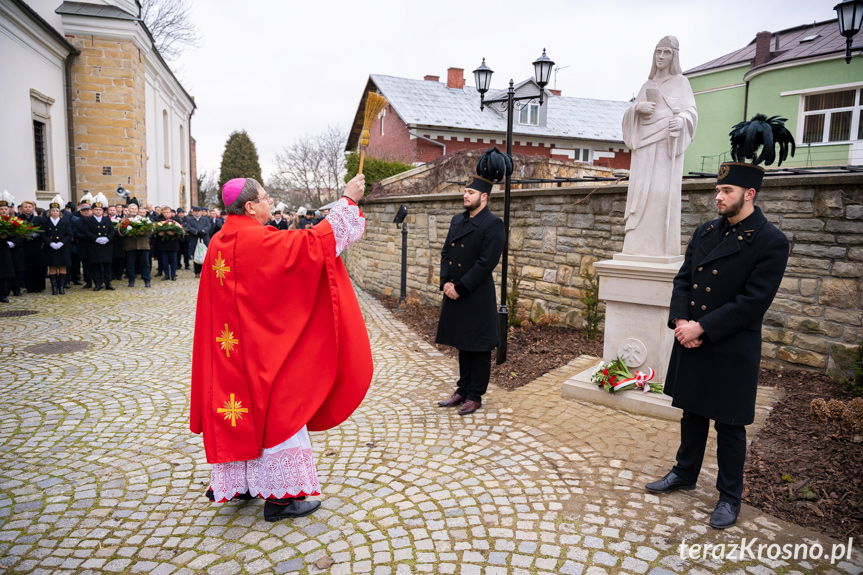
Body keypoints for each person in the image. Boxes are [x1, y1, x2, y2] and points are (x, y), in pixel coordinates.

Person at [190, 175, 373, 522]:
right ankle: (280, 500)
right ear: (249, 206)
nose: (270, 201)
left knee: (236, 413)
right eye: (264, 197)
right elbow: (311, 247)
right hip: (261, 352)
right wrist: (347, 199)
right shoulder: (256, 239)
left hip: (229, 354)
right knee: (279, 407)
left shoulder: (219, 240)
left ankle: (239, 484)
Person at [644, 162, 789, 529]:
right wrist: (680, 321)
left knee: (729, 424)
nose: (718, 197)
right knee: (692, 412)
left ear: (749, 194)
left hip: (730, 346)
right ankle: (684, 472)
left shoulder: (770, 240)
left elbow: (753, 302)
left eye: (726, 191)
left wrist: (701, 328)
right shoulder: (706, 230)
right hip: (691, 337)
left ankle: (729, 496)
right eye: (717, 190)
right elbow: (683, 279)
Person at [435, 175, 506, 416]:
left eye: (471, 193)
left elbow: (486, 263)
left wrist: (460, 287)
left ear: (484, 197)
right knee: (462, 343)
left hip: (475, 294)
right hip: (453, 290)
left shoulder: (493, 224)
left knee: (478, 346)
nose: (466, 196)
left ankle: (475, 395)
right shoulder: (457, 220)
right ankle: (462, 389)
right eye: (465, 191)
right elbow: (446, 252)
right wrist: (445, 282)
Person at [621, 35, 697, 258]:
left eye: (666, 52)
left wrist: (681, 121)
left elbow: (690, 111)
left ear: (674, 56)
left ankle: (659, 248)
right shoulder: (647, 85)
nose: (661, 56)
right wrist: (637, 109)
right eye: (658, 52)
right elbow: (630, 115)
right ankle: (636, 245)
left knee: (661, 193)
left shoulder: (681, 83)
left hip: (665, 148)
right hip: (644, 148)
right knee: (640, 192)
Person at [83, 193, 116, 291]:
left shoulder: (107, 220)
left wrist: (107, 238)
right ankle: (98, 284)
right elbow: (87, 232)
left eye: (100, 209)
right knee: (96, 266)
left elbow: (112, 231)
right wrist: (96, 238)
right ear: (92, 210)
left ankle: (108, 283)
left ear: (103, 211)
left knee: (107, 266)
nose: (98, 211)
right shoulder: (89, 220)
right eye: (96, 209)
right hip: (94, 246)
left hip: (106, 246)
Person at [41, 195, 73, 295]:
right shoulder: (45, 222)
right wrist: (50, 243)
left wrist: (61, 243)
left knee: (63, 267)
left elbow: (69, 234)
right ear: (49, 212)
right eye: (52, 211)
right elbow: (43, 234)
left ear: (60, 212)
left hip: (63, 247)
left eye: (56, 211)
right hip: (50, 248)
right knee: (53, 267)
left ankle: (62, 287)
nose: (55, 212)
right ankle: (54, 288)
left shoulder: (65, 221)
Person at [16, 200, 46, 293]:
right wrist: (24, 235)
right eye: (25, 207)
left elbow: (43, 230)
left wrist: (35, 234)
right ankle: (29, 287)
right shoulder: (18, 219)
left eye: (29, 207)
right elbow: (16, 232)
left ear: (33, 208)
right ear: (21, 208)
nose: (27, 208)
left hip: (37, 247)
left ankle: (39, 286)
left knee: (39, 267)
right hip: (25, 247)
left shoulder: (39, 219)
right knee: (27, 267)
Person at [121, 200, 152, 287]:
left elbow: (150, 231)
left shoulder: (143, 219)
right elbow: (121, 232)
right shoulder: (124, 220)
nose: (133, 210)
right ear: (128, 209)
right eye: (132, 208)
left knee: (145, 264)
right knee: (130, 264)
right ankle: (131, 281)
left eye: (135, 208)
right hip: (130, 245)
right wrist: (128, 231)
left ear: (137, 210)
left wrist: (143, 232)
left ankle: (147, 280)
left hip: (143, 245)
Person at [185, 206, 212, 277]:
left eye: (198, 211)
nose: (197, 213)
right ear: (193, 212)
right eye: (195, 211)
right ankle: (197, 272)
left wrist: (203, 231)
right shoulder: (190, 219)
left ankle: (204, 271)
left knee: (205, 255)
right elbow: (188, 227)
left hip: (204, 239)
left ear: (201, 212)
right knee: (196, 255)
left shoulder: (205, 219)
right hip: (195, 239)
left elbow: (208, 226)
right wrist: (196, 232)